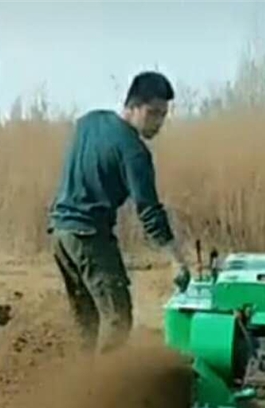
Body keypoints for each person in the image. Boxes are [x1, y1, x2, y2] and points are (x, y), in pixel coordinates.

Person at [48, 71, 190, 354]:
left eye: (163, 115)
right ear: (133, 106)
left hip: (60, 234)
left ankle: (82, 377)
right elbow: (149, 211)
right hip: (88, 235)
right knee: (117, 319)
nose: (158, 122)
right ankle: (104, 390)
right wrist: (176, 259)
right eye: (153, 113)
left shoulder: (88, 122)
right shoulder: (134, 151)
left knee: (87, 319)